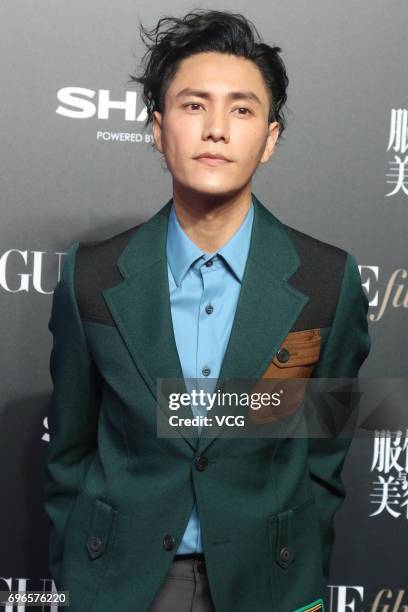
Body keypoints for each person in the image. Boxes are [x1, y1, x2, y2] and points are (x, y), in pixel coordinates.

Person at [44, 8, 371, 612]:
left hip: (267, 582)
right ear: (157, 127)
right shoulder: (89, 276)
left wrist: (299, 565)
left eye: (242, 110)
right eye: (194, 105)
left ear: (269, 139)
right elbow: (69, 448)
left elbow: (324, 455)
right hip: (120, 581)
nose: (216, 129)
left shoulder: (327, 279)